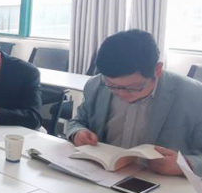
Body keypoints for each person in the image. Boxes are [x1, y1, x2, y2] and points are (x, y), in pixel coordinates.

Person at [66, 29, 202, 176]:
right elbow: (77, 122)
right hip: (103, 174)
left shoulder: (194, 95)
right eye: (112, 85)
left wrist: (184, 165)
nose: (121, 93)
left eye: (133, 87)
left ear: (157, 70)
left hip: (160, 181)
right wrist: (78, 133)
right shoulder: (96, 85)